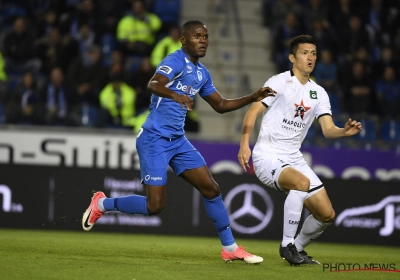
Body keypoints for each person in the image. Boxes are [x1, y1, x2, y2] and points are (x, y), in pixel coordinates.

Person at [82, 20, 276, 264]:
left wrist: (252, 96)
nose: (203, 40)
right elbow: (152, 84)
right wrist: (175, 94)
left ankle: (230, 248)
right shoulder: (175, 61)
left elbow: (220, 105)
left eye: (205, 36)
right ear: (184, 40)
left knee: (211, 189)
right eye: (197, 36)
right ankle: (101, 203)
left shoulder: (202, 73)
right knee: (155, 207)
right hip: (154, 139)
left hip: (178, 141)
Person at [237, 35, 362, 266]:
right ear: (292, 57)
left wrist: (344, 132)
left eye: (313, 53)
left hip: (294, 158)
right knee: (301, 183)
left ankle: (298, 248)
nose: (310, 57)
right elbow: (252, 112)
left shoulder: (319, 93)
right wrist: (245, 143)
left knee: (327, 214)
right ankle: (287, 245)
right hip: (268, 155)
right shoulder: (278, 82)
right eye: (305, 53)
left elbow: (327, 129)